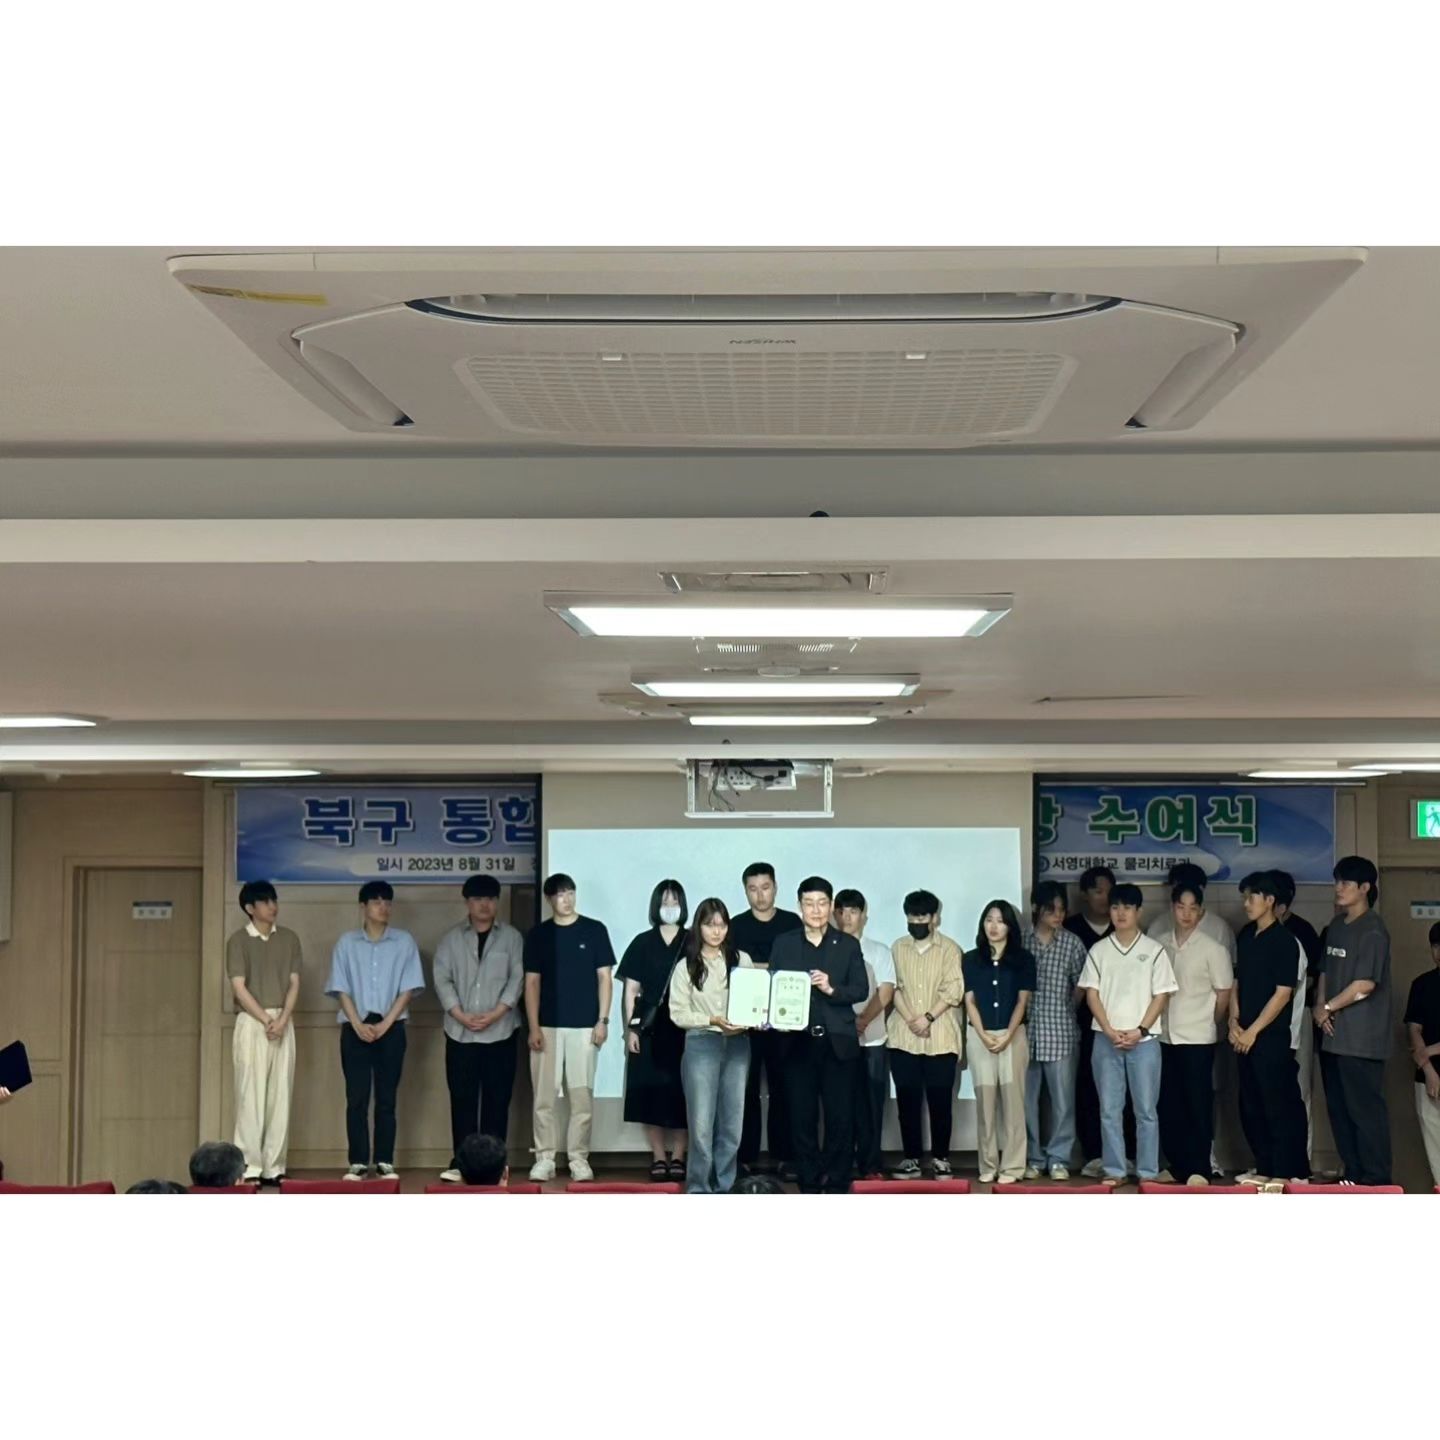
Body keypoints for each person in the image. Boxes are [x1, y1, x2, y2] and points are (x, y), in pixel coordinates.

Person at [769, 877, 868, 1194]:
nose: (816, 910)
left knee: (840, 1118)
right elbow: (773, 987)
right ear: (799, 906)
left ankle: (838, 1181)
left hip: (837, 1043)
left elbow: (861, 990)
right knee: (802, 1118)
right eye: (809, 903)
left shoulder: (848, 944)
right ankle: (809, 1181)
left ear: (831, 906)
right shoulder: (784, 943)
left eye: (822, 903)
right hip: (796, 1043)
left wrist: (831, 988)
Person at [325, 881, 425, 1182]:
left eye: (387, 902)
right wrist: (357, 1023)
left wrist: (385, 1024)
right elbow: (340, 988)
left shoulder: (404, 941)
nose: (384, 907)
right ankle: (357, 1161)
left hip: (391, 1027)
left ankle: (384, 1160)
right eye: (377, 902)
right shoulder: (346, 943)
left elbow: (408, 989)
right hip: (354, 1027)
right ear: (363, 906)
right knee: (356, 1097)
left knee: (386, 1097)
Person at [1078, 883, 1177, 1186]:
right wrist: (1109, 1029)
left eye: (1127, 907)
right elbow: (1091, 994)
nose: (1120, 913)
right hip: (1105, 1040)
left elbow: (1162, 995)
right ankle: (1115, 1170)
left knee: (1146, 1111)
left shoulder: (1154, 950)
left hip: (1144, 1042)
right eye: (1115, 907)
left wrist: (1140, 1029)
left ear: (1138, 912)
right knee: (1109, 1110)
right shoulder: (1099, 950)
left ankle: (1147, 1172)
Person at [433, 874, 525, 1184]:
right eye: (477, 899)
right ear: (467, 903)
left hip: (502, 1031)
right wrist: (459, 1014)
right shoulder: (451, 939)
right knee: (462, 1101)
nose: (484, 905)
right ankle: (461, 1162)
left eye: (489, 899)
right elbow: (442, 979)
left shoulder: (512, 938)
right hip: (460, 1033)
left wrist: (497, 1013)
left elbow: (517, 979)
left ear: (497, 902)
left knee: (498, 1101)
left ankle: (495, 1165)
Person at [523, 873, 616, 1183]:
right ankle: (544, 1158)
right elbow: (531, 983)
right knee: (544, 1098)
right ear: (549, 899)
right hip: (547, 1026)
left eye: (571, 893)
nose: (567, 899)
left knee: (581, 1098)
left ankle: (578, 1159)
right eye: (560, 895)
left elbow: (605, 978)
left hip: (584, 1028)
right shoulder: (539, 935)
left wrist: (602, 1020)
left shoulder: (594, 930)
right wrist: (533, 1026)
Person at [1315, 855, 1393, 1187]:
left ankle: (1376, 1179)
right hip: (1332, 1036)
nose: (1338, 888)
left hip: (1362, 1040)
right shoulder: (1336, 926)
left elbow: (1365, 984)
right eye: (1337, 881)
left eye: (1345, 882)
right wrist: (1320, 1006)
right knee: (1340, 1110)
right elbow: (1324, 970)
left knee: (1365, 1111)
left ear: (1364, 888)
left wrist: (1329, 1007)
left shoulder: (1372, 930)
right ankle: (1353, 1174)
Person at [668, 897, 755, 1194]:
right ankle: (699, 1188)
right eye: (710, 925)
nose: (716, 931)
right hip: (701, 1042)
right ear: (699, 927)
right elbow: (678, 1013)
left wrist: (754, 1018)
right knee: (702, 1124)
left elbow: (754, 1001)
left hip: (738, 1043)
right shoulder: (686, 966)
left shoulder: (741, 960)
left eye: (722, 925)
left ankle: (724, 1186)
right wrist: (711, 1019)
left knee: (732, 1123)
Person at [1231, 870, 1309, 1185]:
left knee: (1279, 1104)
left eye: (1252, 897)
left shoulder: (1285, 941)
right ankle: (1263, 1165)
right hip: (1243, 1036)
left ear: (1269, 900)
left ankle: (1287, 1170)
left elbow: (1282, 993)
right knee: (1251, 1103)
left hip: (1272, 1038)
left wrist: (1254, 1031)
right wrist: (1233, 1021)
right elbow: (1236, 982)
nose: (1246, 903)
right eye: (1245, 897)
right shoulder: (1246, 935)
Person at [1154, 882, 1233, 1184]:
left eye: (1192, 908)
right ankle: (1177, 1164)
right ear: (1172, 908)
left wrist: (1210, 1021)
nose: (1186, 914)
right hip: (1164, 1035)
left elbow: (1224, 993)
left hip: (1198, 1036)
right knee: (1169, 1103)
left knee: (1197, 1103)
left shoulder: (1214, 949)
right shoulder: (1159, 944)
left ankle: (1199, 1167)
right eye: (1180, 907)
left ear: (1201, 911)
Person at [729, 862, 803, 1178]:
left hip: (785, 1021)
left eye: (765, 887)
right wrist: (770, 969)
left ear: (775, 887)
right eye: (753, 889)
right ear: (745, 891)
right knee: (744, 1090)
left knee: (783, 1088)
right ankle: (743, 1157)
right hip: (745, 1022)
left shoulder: (791, 923)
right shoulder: (735, 925)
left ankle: (785, 1156)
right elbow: (731, 970)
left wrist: (757, 969)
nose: (760, 895)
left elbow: (797, 968)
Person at [225, 880, 301, 1185]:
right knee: (250, 1095)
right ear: (250, 908)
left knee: (281, 1094)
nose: (273, 906)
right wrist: (266, 1019)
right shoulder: (238, 941)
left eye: (274, 900)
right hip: (252, 1022)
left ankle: (275, 1166)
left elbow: (294, 983)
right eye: (265, 901)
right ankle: (250, 1167)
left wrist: (282, 1020)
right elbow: (239, 987)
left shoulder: (290, 938)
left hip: (283, 1020)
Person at [886, 889, 964, 1180]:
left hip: (940, 1036)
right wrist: (912, 1019)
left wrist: (928, 1017)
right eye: (912, 917)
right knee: (907, 1101)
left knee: (940, 1101)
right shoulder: (898, 948)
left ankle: (941, 1158)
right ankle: (911, 1158)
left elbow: (954, 989)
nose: (916, 922)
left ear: (934, 918)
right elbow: (893, 987)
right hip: (903, 1036)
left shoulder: (949, 949)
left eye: (922, 917)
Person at [618, 879, 690, 1182]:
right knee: (650, 1095)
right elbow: (630, 991)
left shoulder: (693, 940)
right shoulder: (642, 942)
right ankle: (659, 1156)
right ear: (655, 906)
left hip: (685, 1028)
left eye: (675, 902)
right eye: (665, 902)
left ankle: (680, 1156)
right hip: (648, 1029)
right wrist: (630, 1030)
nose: (670, 907)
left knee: (684, 1094)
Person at [963, 900, 1035, 1185]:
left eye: (1000, 921)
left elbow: (1022, 1002)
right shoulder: (970, 959)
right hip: (979, 1036)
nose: (993, 926)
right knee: (985, 1104)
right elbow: (969, 1001)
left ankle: (1013, 1167)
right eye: (989, 919)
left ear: (1009, 926)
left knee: (1014, 1104)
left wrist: (1008, 1034)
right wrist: (982, 1035)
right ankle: (988, 1164)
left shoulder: (1023, 959)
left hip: (1013, 1036)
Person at [1022, 880, 1087, 1181]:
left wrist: (1067, 1008)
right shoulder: (1021, 941)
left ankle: (1059, 1158)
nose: (1058, 915)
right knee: (1027, 1102)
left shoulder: (1072, 943)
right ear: (1036, 908)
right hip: (1025, 1033)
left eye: (1062, 909)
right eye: (1052, 909)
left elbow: (1082, 986)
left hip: (1061, 1031)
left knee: (1063, 1102)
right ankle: (1034, 1157)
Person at [835, 887, 897, 1180]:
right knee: (840, 1105)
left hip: (872, 1039)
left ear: (864, 916)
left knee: (872, 1107)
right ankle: (840, 1165)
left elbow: (885, 992)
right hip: (838, 1040)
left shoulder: (878, 951)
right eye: (842, 911)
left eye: (853, 911)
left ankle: (871, 1165)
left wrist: (862, 1021)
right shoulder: (828, 950)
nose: (847, 917)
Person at [1065, 865, 1115, 1176]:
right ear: (1084, 894)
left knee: (1119, 1094)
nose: (1104, 898)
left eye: (1109, 891)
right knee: (1086, 1089)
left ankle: (1123, 1155)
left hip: (1120, 1027)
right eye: (1098, 891)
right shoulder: (1070, 929)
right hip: (1080, 1025)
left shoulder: (1124, 929)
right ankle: (1092, 1153)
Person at [1274, 869, 1323, 1161]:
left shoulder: (1302, 931)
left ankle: (1300, 1159)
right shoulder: (1253, 932)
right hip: (1262, 1023)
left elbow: (1315, 977)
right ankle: (1270, 1160)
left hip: (1298, 1015)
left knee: (1300, 1088)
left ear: (1281, 904)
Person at [1405, 923, 1440, 1187]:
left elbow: (1421, 1049)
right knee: (1434, 1146)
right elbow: (1413, 1028)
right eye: (1435, 946)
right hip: (1426, 1077)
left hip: (1427, 1061)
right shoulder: (1422, 984)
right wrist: (1428, 1068)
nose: (1438, 952)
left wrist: (1427, 1051)